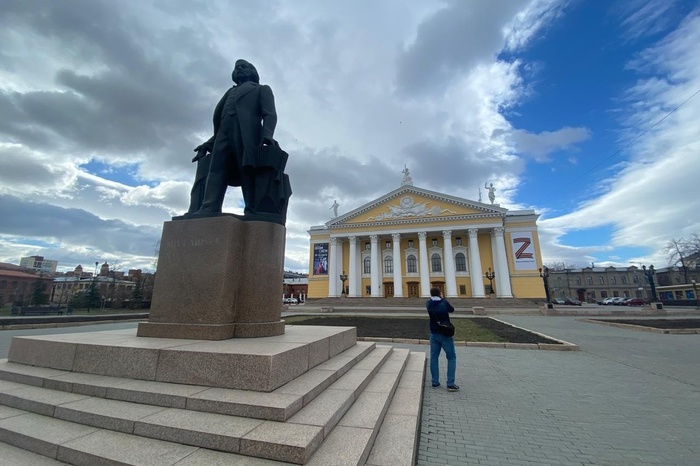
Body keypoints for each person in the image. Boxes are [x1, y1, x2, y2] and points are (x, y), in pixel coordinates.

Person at [194, 59, 278, 215]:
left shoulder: (261, 89)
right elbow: (222, 121)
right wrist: (208, 144)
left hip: (248, 135)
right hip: (223, 135)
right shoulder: (229, 92)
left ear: (253, 72)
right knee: (216, 169)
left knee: (247, 170)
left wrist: (267, 135)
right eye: (236, 67)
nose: (239, 69)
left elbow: (270, 114)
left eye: (243, 67)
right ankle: (209, 207)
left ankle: (252, 209)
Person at [426, 287, 459, 391]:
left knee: (434, 357)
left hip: (434, 333)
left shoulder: (428, 304)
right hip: (445, 334)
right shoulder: (444, 303)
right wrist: (443, 298)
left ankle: (435, 382)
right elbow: (452, 310)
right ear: (440, 294)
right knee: (451, 357)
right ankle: (450, 383)